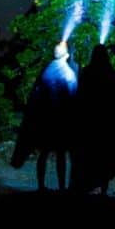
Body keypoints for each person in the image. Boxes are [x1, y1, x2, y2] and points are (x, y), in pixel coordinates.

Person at [10, 41, 78, 191]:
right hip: (60, 121)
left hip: (46, 120)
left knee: (45, 153)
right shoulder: (68, 74)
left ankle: (42, 186)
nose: (57, 48)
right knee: (60, 154)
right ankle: (60, 187)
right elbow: (74, 98)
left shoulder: (46, 70)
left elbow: (37, 94)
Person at [70, 44, 115, 195]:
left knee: (88, 155)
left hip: (89, 122)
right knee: (107, 154)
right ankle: (103, 189)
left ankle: (84, 187)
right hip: (108, 122)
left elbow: (81, 96)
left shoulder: (86, 72)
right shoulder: (111, 73)